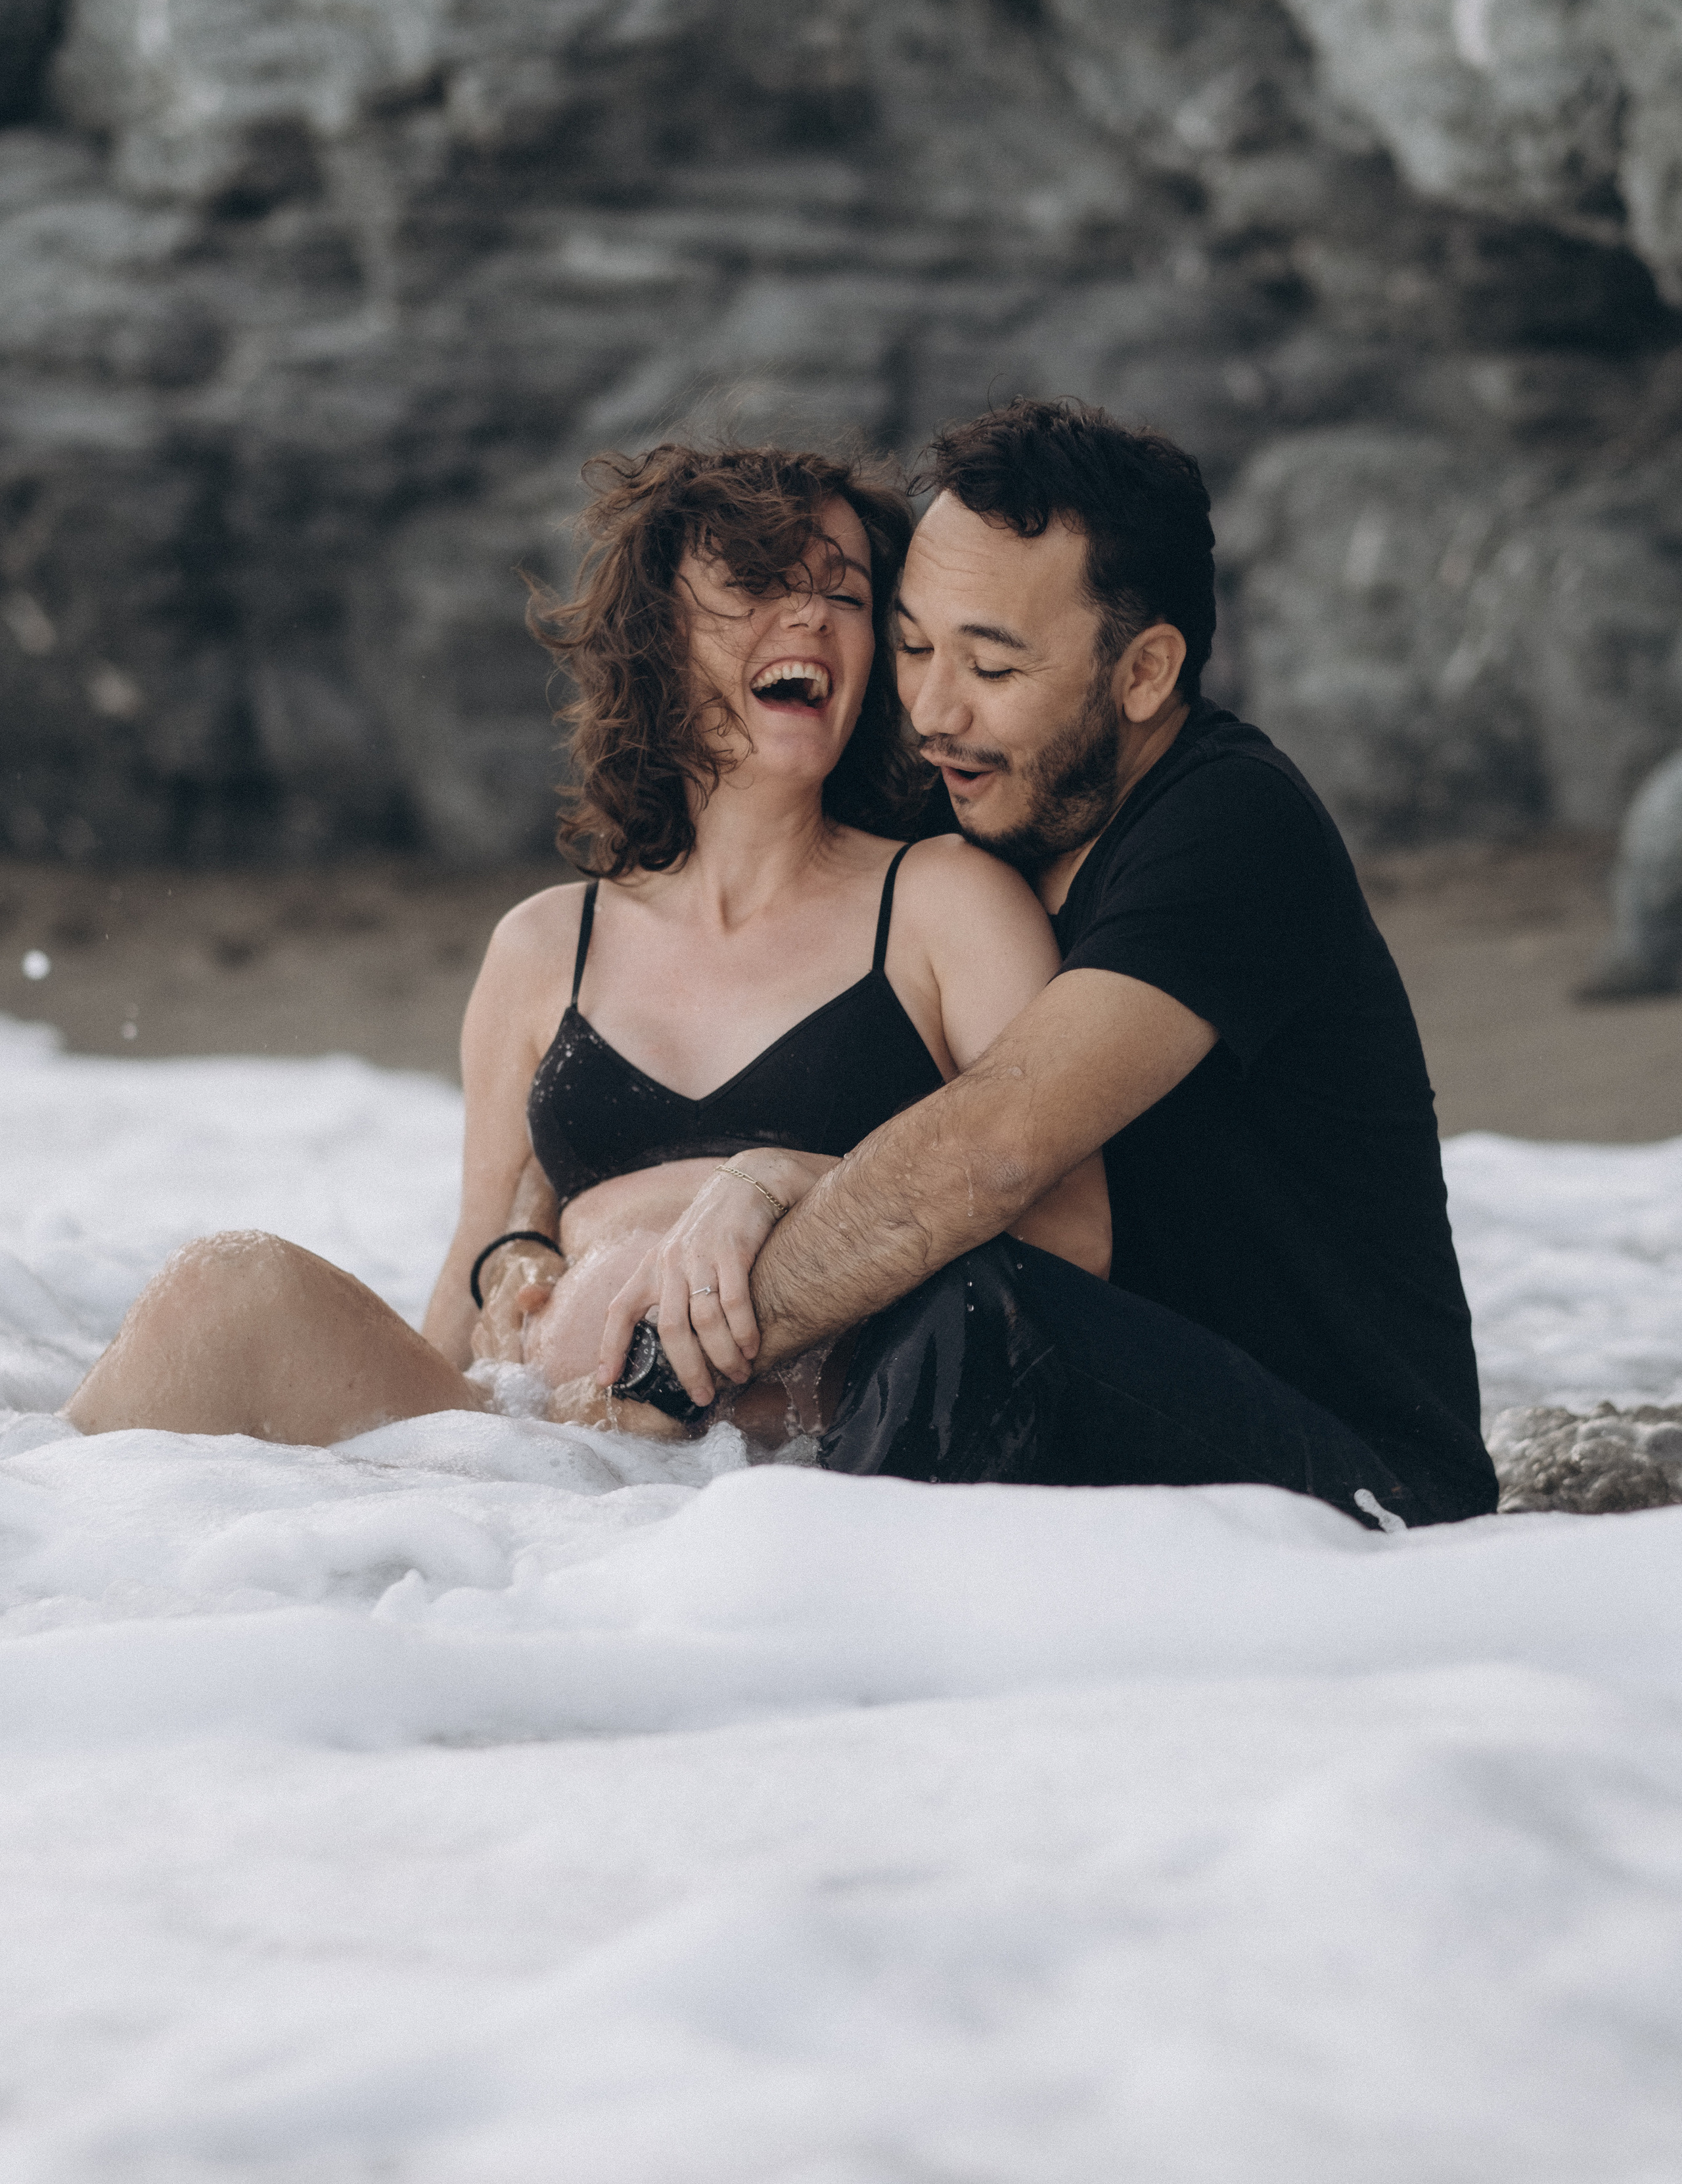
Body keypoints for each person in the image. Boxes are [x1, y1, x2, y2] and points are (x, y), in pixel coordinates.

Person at [64, 439, 1108, 1450]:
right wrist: (503, 1283)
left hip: (787, 1480)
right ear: (658, 640)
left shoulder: (945, 903)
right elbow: (470, 1281)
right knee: (221, 1289)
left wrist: (789, 1181)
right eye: (758, 584)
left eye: (845, 594)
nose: (809, 616)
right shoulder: (542, 947)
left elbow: (1072, 1244)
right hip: (544, 1471)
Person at [597, 399, 1499, 1528]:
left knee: (987, 1304)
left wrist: (668, 1367)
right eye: (914, 647)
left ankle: (789, 1608)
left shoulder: (1234, 827)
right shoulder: (973, 809)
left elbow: (991, 1154)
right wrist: (530, 1253)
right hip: (1122, 1488)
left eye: (991, 665)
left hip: (1370, 1506)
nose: (932, 710)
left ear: (1145, 672)